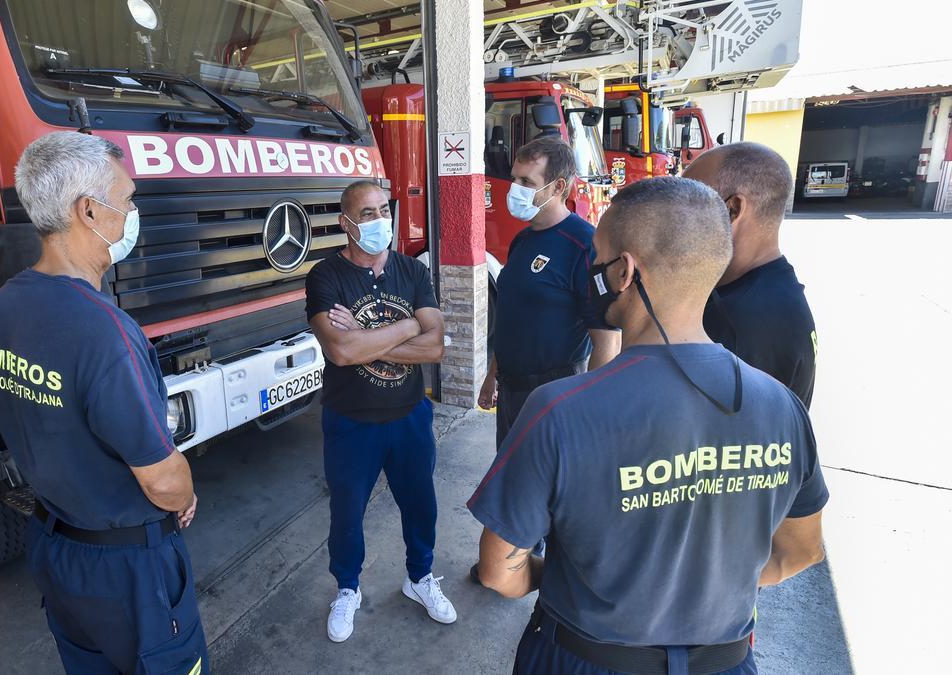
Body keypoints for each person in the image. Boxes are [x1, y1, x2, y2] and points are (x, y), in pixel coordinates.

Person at [468, 177, 829, 675]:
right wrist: (705, 587)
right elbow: (801, 552)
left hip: (582, 659)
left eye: (596, 257)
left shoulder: (558, 410)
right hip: (725, 662)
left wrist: (569, 576)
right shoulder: (783, 408)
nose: (588, 273)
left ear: (624, 271)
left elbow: (497, 572)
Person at [0, 132, 207, 675]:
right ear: (88, 210)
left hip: (57, 549)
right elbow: (161, 479)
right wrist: (184, 493)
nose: (132, 212)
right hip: (128, 568)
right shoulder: (104, 329)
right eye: (127, 199)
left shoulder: (9, 303)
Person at [305, 180, 456, 643]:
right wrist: (409, 324)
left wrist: (374, 336)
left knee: (420, 505)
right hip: (351, 420)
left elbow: (435, 347)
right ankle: (347, 588)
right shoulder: (325, 277)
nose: (378, 221)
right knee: (347, 513)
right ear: (345, 223)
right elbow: (342, 354)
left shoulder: (413, 270)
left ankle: (420, 578)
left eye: (383, 210)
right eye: (366, 213)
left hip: (409, 415)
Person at [477, 137, 620, 449]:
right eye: (514, 178)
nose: (514, 188)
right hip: (512, 392)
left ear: (557, 187)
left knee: (548, 489)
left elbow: (607, 342)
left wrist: (584, 408)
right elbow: (513, 315)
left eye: (527, 181)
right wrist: (492, 376)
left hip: (556, 393)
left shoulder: (585, 245)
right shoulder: (522, 240)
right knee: (513, 480)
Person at [683, 142, 818, 406]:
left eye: (688, 203)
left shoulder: (742, 323)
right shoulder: (773, 289)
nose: (677, 220)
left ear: (732, 209)